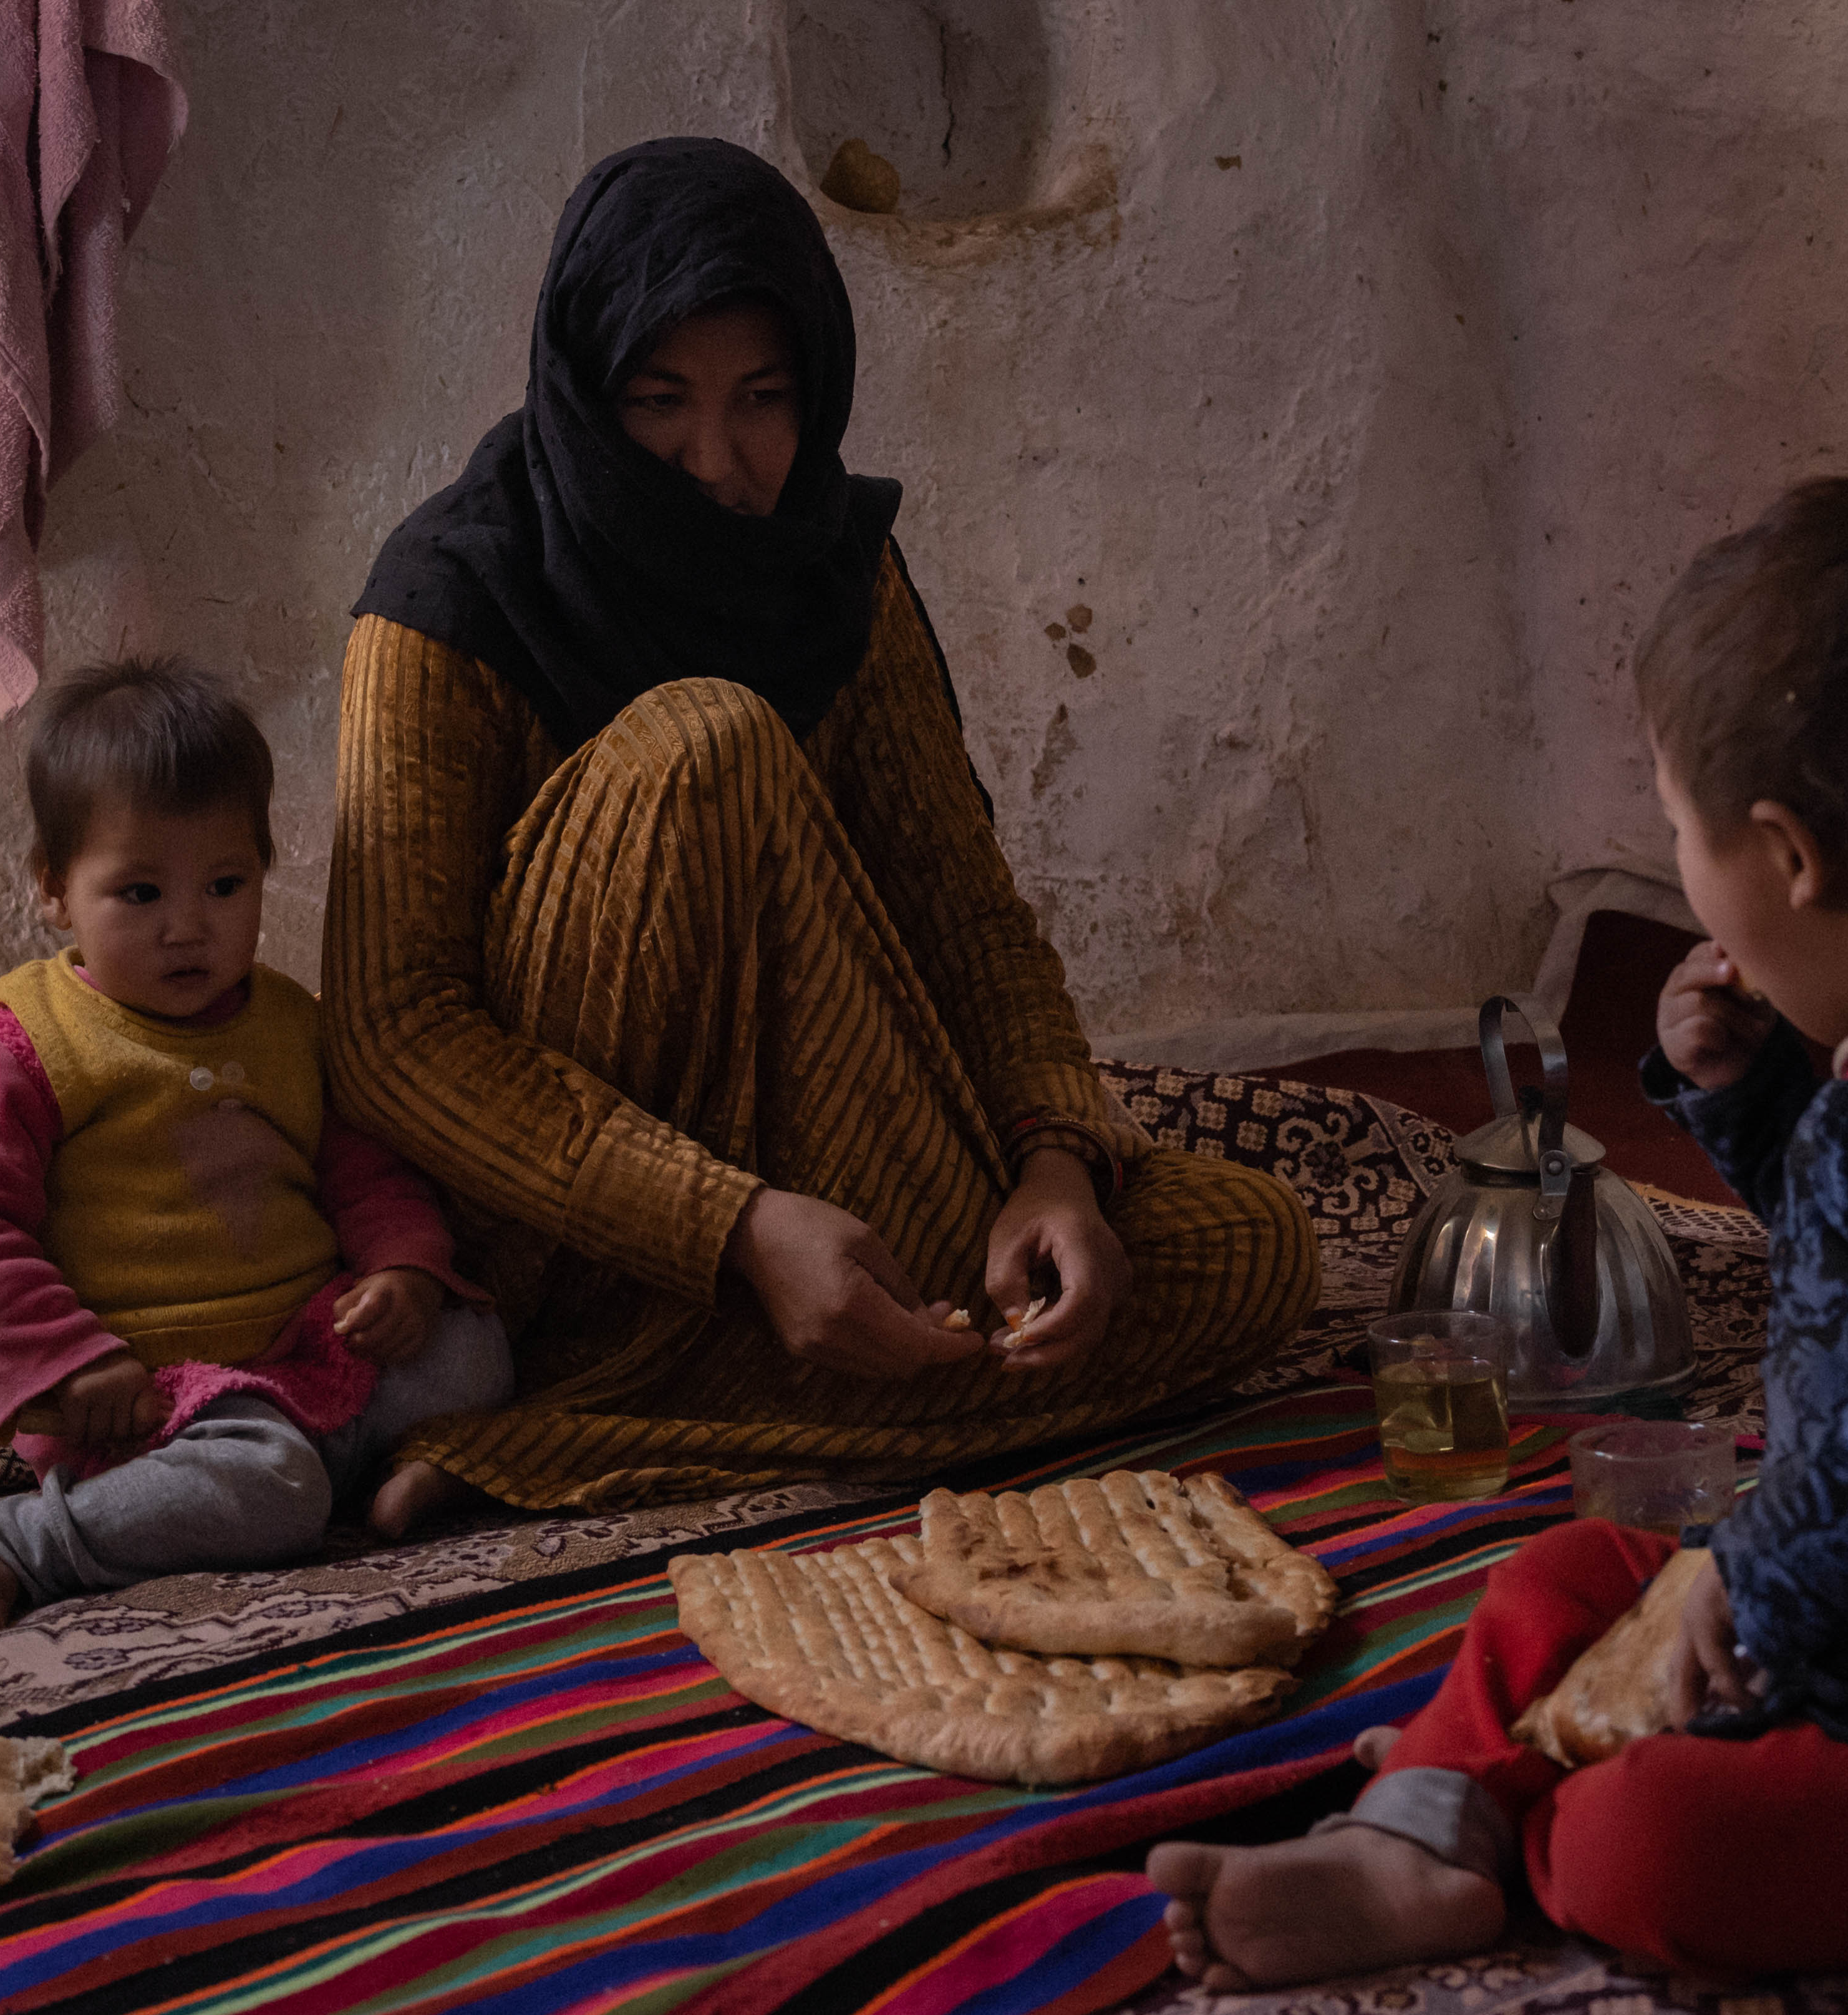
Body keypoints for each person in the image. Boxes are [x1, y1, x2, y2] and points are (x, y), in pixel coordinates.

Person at [1149, 478, 1848, 1977]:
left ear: (1787, 856)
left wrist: (1758, 1574)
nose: (1680, 871)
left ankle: (1491, 1819)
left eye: (1678, 832)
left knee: (1645, 1842)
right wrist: (1753, 1103)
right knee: (1559, 1578)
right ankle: (1433, 1820)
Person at [321, 137, 1317, 1517]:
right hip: (579, 1233)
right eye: (658, 401)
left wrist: (1052, 1164)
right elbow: (394, 1035)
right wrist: (731, 1222)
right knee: (708, 743)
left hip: (831, 1163)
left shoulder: (835, 569)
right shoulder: (445, 600)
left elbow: (962, 910)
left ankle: (606, 1434)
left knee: (1259, 1245)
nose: (716, 461)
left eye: (763, 399)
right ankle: (663, 1369)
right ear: (584, 389)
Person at [0, 659, 512, 1630]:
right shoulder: (26, 1043)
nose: (188, 928)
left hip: (314, 1343)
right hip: (150, 1393)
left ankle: (382, 1465)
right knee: (272, 1485)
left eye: (225, 885)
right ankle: (35, 1541)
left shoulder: (290, 1024)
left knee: (474, 1347)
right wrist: (67, 1364)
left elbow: (364, 1170)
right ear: (55, 889)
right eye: (140, 893)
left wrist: (404, 1271)